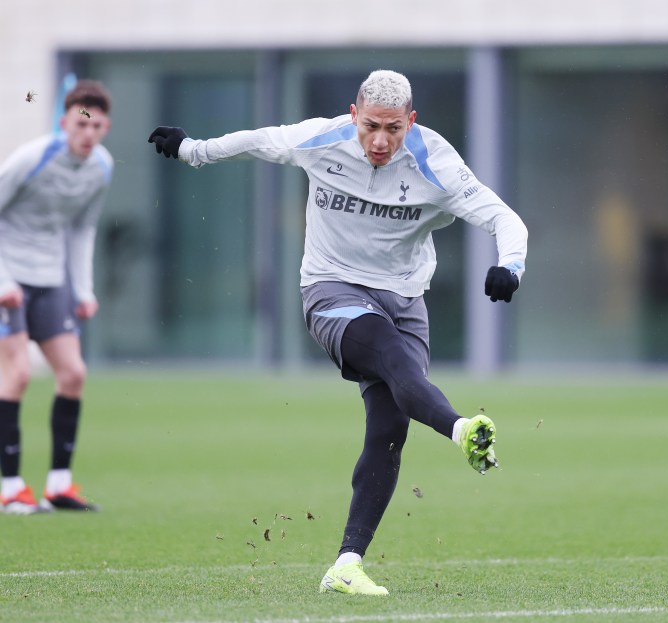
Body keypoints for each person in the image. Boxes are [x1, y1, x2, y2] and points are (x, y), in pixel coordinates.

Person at [148, 70, 527, 595]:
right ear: (354, 115)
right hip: (332, 290)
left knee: (391, 427)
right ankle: (463, 430)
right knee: (392, 356)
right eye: (370, 126)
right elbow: (258, 141)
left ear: (410, 122)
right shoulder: (321, 139)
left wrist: (510, 266)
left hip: (405, 298)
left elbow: (504, 218)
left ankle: (346, 564)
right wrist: (192, 150)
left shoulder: (436, 162)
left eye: (393, 129)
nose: (379, 141)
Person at [0, 79, 113, 514]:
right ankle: (11, 488)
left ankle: (59, 485)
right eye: (81, 125)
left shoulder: (101, 167)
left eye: (98, 126)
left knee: (73, 373)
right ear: (64, 122)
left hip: (50, 277)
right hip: (9, 275)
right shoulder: (33, 158)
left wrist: (82, 289)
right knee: (18, 375)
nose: (89, 134)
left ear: (105, 127)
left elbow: (83, 228)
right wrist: (4, 282)